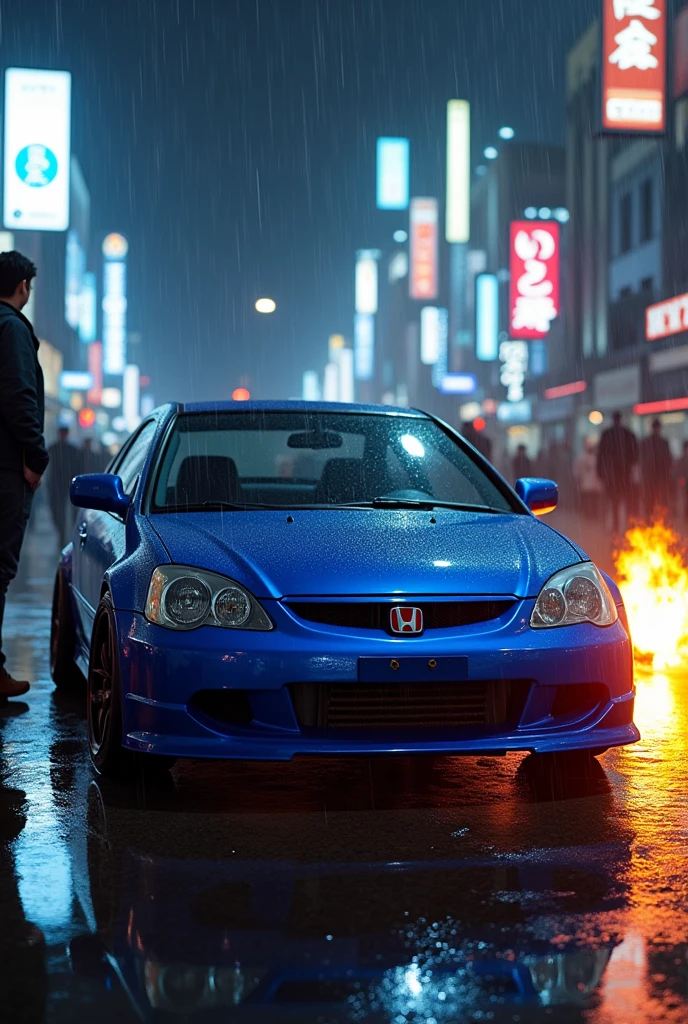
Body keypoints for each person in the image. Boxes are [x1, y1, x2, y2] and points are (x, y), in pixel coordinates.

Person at [0, 251, 49, 700]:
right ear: (22, 287)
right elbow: (19, 397)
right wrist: (36, 456)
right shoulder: (12, 328)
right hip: (6, 467)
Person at [596, 411, 639, 534]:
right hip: (625, 474)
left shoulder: (607, 435)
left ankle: (615, 527)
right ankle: (628, 526)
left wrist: (600, 472)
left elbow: (601, 455)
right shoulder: (628, 434)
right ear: (621, 419)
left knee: (613, 502)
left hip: (611, 476)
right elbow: (635, 455)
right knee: (627, 501)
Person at [46, 427, 80, 547]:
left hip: (66, 484)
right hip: (57, 485)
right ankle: (62, 531)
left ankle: (65, 532)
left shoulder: (70, 450)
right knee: (57, 511)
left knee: (66, 511)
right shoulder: (54, 448)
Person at [639, 418, 674, 520]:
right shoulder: (663, 442)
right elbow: (668, 460)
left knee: (651, 502)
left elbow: (642, 460)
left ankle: (652, 520)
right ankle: (658, 521)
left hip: (652, 477)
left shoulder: (646, 442)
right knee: (659, 501)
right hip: (658, 477)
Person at [573, 437, 603, 517]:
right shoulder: (582, 458)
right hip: (587, 483)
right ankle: (588, 514)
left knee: (593, 500)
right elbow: (577, 470)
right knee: (588, 500)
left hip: (594, 484)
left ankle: (593, 514)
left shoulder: (595, 458)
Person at [674, 440, 688, 522]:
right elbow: (678, 473)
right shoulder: (681, 460)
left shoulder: (681, 460)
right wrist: (681, 484)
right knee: (685, 500)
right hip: (684, 483)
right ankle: (686, 516)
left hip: (684, 482)